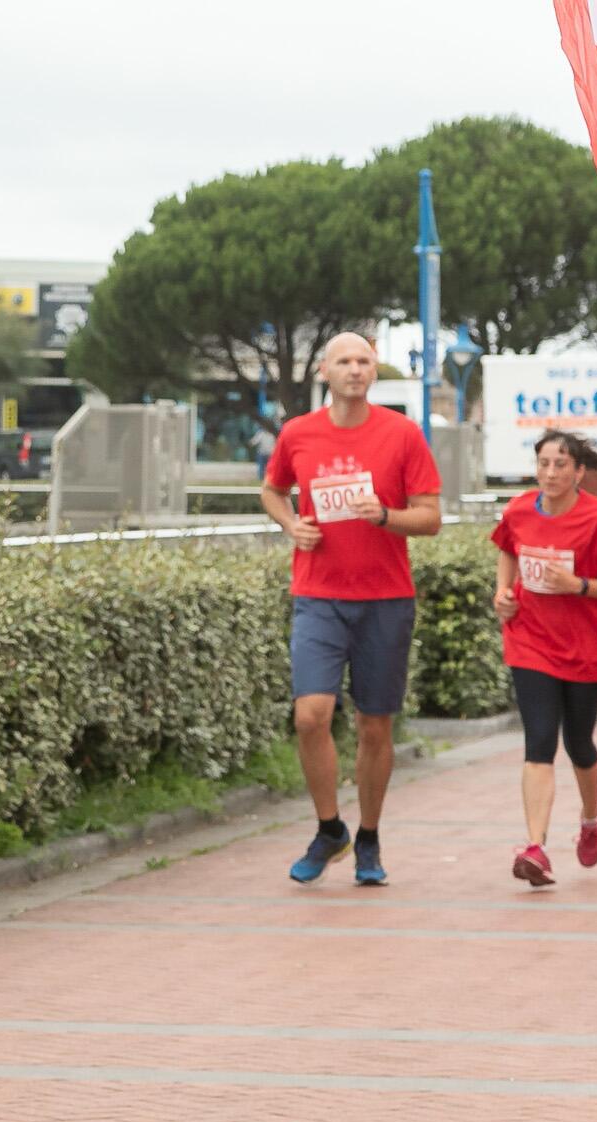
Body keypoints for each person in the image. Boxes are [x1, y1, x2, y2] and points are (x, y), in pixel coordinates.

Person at [259, 332, 442, 886]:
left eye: (364, 360)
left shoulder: (401, 433)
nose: (356, 369)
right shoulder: (298, 433)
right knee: (310, 715)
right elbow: (271, 491)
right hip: (318, 596)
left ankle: (368, 838)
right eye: (345, 361)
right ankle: (329, 828)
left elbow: (431, 516)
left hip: (385, 598)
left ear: (374, 370)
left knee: (373, 726)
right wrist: (292, 524)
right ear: (325, 370)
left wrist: (385, 515)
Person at [490, 429, 597, 885]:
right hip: (530, 642)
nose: (550, 473)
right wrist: (501, 593)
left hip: (584, 650)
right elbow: (506, 550)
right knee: (539, 742)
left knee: (578, 743)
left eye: (560, 465)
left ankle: (591, 818)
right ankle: (535, 848)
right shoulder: (518, 510)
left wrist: (580, 586)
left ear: (578, 472)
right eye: (544, 464)